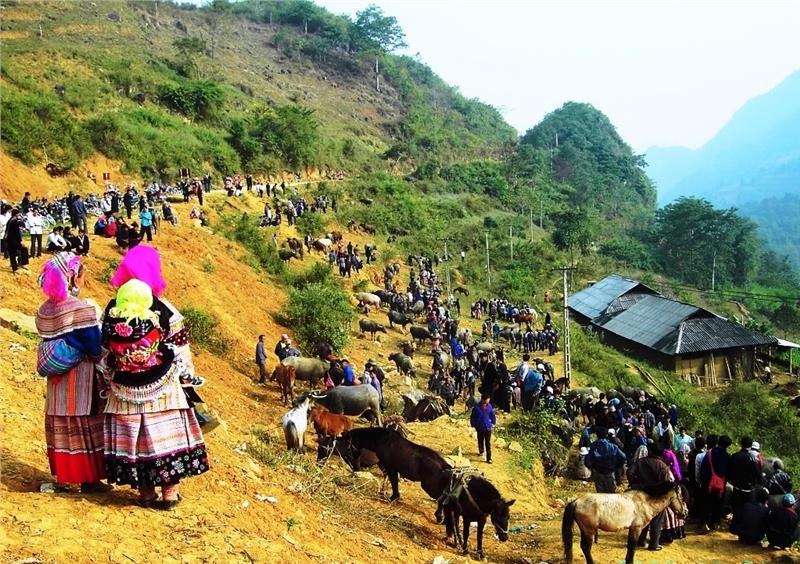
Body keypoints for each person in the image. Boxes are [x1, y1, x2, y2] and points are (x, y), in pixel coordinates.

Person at [101, 279, 209, 509]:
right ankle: (170, 495)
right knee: (167, 440)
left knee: (135, 444)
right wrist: (187, 377)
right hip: (162, 391)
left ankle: (146, 494)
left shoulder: (110, 321)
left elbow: (104, 356)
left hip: (124, 393)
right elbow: (177, 351)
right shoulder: (158, 316)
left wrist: (111, 374)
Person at [35, 252, 109, 492]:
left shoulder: (45, 310)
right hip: (80, 380)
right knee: (83, 425)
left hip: (57, 381)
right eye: (81, 273)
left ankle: (64, 478)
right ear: (73, 277)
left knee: (61, 426)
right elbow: (93, 346)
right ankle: (89, 480)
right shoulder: (81, 309)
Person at [627, 443, 672, 552]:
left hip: (641, 495)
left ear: (650, 451)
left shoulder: (640, 462)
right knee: (657, 521)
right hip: (657, 497)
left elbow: (629, 473)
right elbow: (667, 483)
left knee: (642, 519)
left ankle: (640, 540)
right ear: (661, 454)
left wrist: (634, 483)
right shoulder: (663, 466)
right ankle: (654, 544)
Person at [728, 436, 762, 534]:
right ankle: (743, 530)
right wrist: (759, 484)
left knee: (736, 508)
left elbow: (729, 471)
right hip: (749, 490)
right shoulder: (753, 459)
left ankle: (734, 528)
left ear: (741, 444)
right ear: (750, 446)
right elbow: (758, 474)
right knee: (747, 510)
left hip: (737, 487)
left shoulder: (734, 456)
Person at [700, 434, 732, 531]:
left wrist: (703, 480)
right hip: (720, 485)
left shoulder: (709, 453)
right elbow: (728, 472)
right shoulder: (727, 456)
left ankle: (704, 523)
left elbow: (703, 468)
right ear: (727, 446)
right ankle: (714, 523)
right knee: (718, 504)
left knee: (706, 503)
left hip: (708, 483)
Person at [584, 427, 627, 493]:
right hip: (610, 472)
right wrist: (617, 466)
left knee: (600, 495)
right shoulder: (613, 446)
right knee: (611, 494)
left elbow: (587, 462)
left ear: (597, 436)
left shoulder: (593, 446)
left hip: (598, 473)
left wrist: (593, 468)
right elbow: (623, 458)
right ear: (607, 435)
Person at [470, 395, 496, 464]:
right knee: (480, 441)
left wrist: (493, 423)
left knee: (488, 443)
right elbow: (472, 417)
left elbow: (492, 415)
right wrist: (473, 425)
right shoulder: (476, 408)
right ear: (483, 400)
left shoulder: (489, 406)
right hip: (480, 427)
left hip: (488, 427)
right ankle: (481, 451)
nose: (488, 401)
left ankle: (489, 458)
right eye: (487, 399)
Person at [6, 209, 30, 274]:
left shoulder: (11, 220)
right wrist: (20, 241)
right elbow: (17, 233)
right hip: (12, 241)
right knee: (23, 249)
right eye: (18, 214)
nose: (19, 215)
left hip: (10, 240)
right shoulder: (14, 221)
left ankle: (15, 268)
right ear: (16, 214)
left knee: (13, 254)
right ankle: (22, 264)